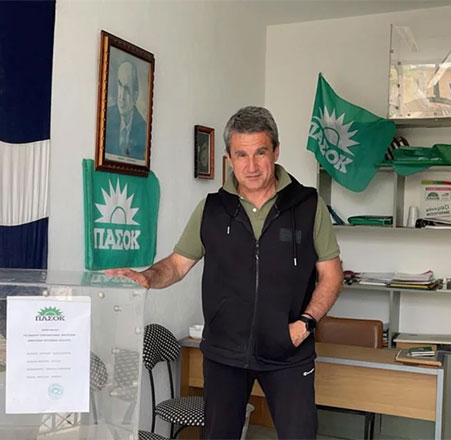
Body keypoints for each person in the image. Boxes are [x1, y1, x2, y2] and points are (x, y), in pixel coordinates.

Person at [108, 106, 343, 439]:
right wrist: (147, 277)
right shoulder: (212, 209)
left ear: (276, 151)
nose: (251, 166)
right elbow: (177, 264)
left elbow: (332, 275)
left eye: (260, 152)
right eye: (241, 155)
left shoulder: (308, 205)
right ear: (229, 158)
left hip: (289, 350)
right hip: (224, 353)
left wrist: (305, 324)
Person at [104, 60, 147, 161]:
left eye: (127, 89)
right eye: (120, 85)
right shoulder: (107, 118)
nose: (121, 96)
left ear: (135, 96)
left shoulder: (143, 129)